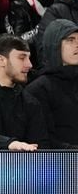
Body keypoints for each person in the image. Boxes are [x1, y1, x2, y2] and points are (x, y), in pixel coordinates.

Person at [25, 19, 78, 148]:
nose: (77, 44)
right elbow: (43, 140)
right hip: (60, 163)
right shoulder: (38, 90)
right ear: (54, 45)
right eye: (70, 40)